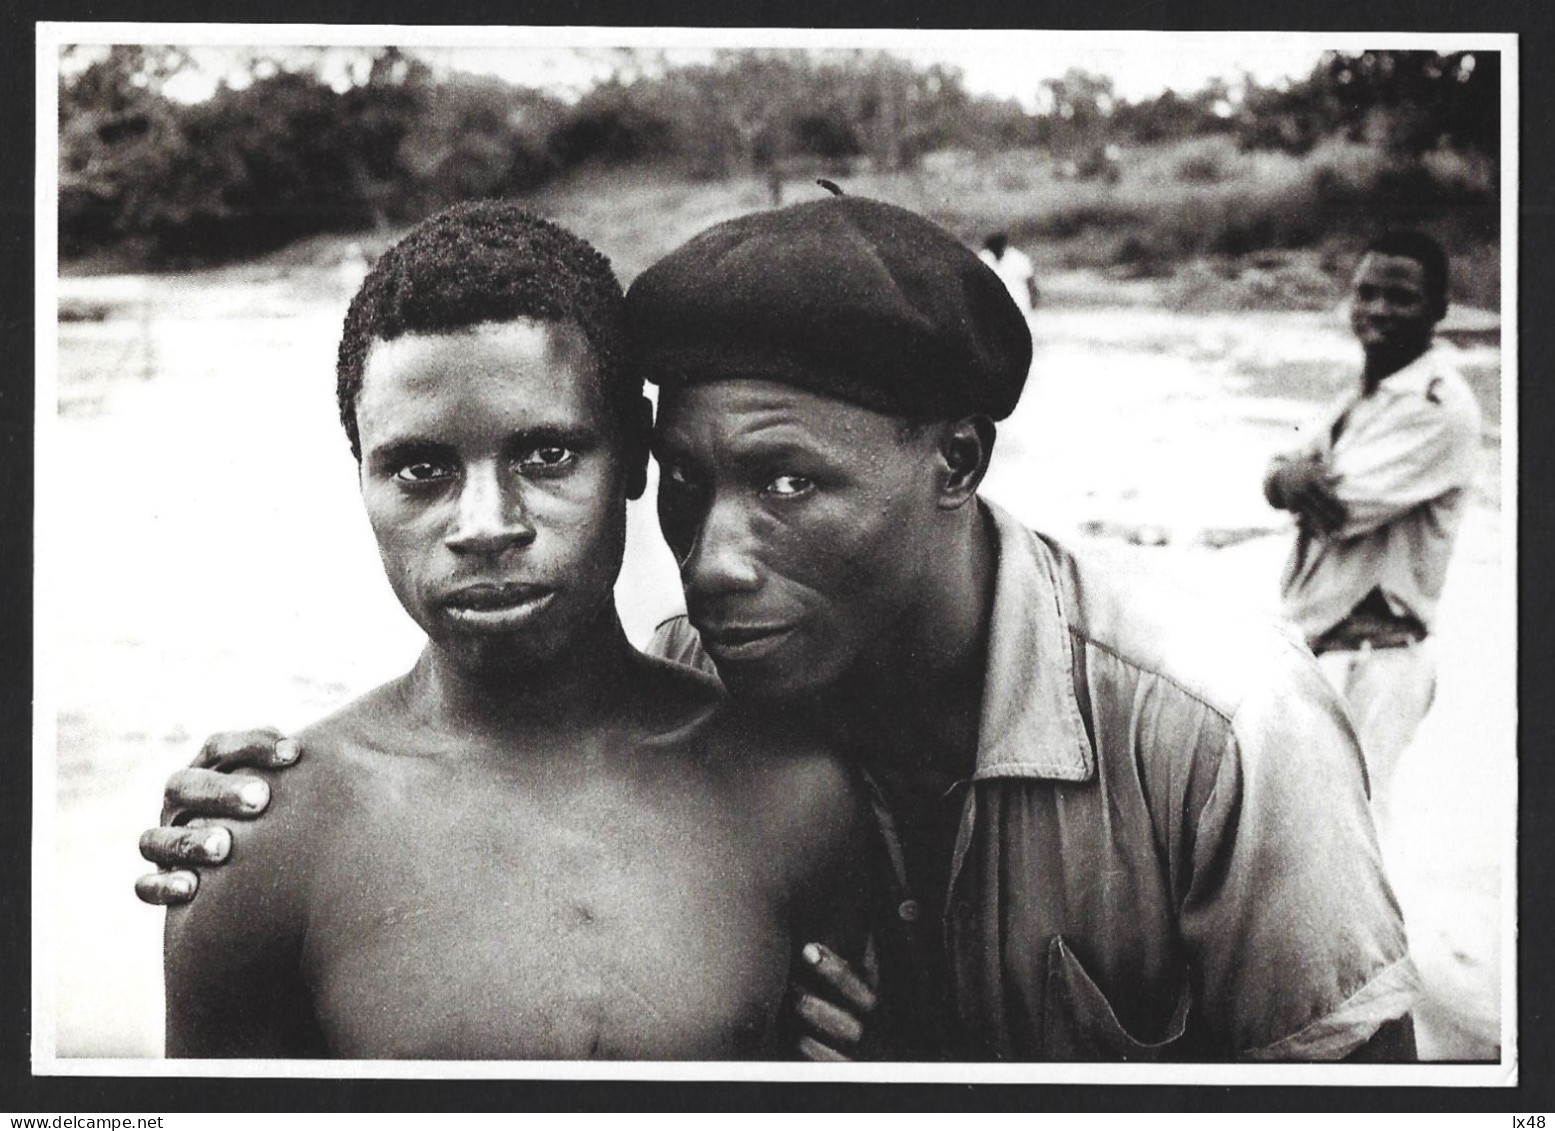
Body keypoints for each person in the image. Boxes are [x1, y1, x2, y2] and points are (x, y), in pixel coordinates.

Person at [141, 193, 1417, 1061]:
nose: (713, 559)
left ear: (957, 460)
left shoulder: (1224, 732)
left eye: (789, 484)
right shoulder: (713, 679)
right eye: (689, 488)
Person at [156, 202, 876, 1059]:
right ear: (361, 478)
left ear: (635, 456)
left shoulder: (793, 793)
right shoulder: (272, 842)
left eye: (546, 455)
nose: (486, 524)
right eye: (420, 469)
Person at [1263, 231, 1482, 833]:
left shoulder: (1436, 406)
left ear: (1437, 309)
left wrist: (1291, 480)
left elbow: (1333, 507)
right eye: (1366, 293)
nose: (1378, 310)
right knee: (1305, 838)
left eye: (1400, 297)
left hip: (1376, 658)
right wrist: (1285, 478)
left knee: (1348, 843)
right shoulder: (1360, 396)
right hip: (1327, 649)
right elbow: (1278, 474)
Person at [978, 232, 1038, 318]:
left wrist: (1033, 303)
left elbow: (1031, 283)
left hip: (1019, 304)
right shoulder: (984, 258)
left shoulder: (1019, 259)